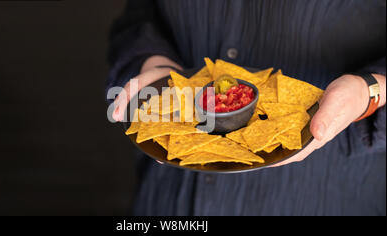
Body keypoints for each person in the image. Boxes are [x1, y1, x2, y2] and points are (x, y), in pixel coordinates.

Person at [106, 0, 386, 215]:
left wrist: (370, 90)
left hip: (324, 193)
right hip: (169, 196)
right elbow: (142, 16)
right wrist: (157, 67)